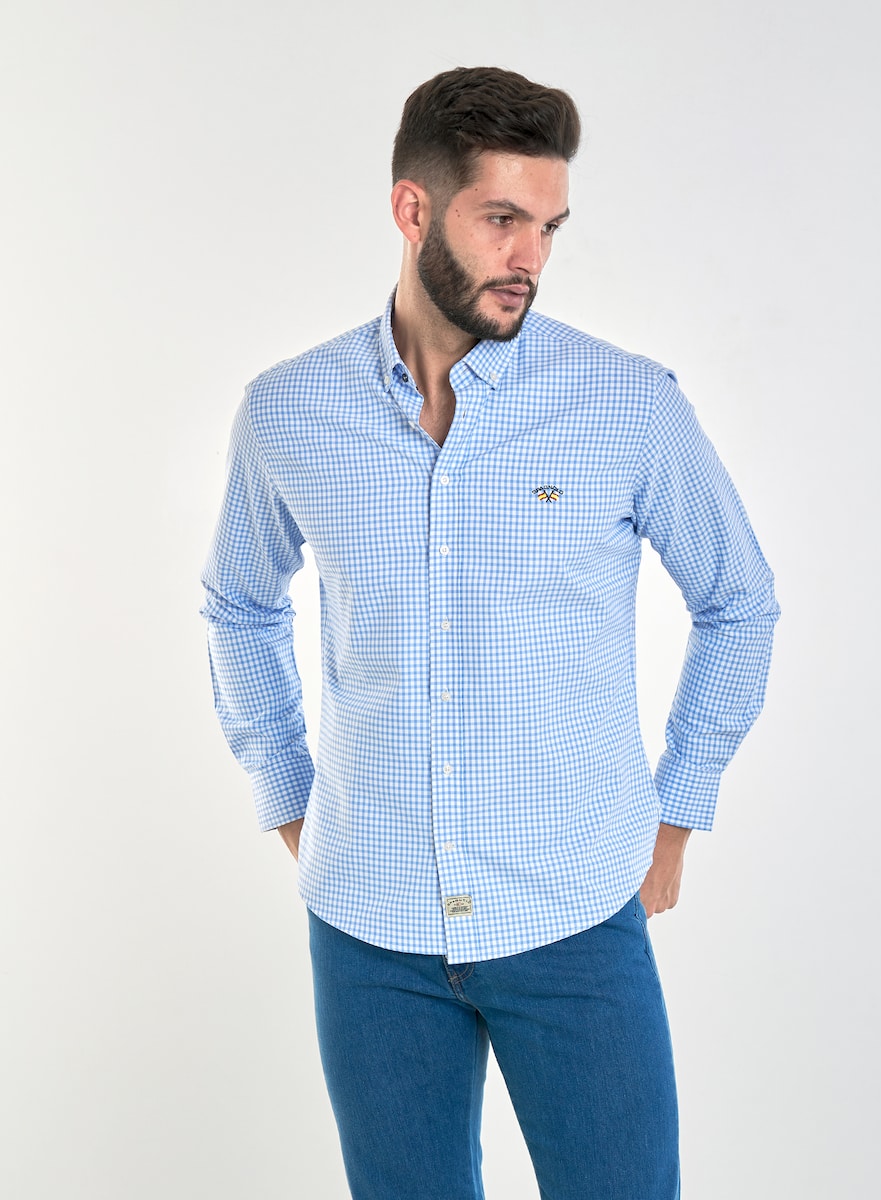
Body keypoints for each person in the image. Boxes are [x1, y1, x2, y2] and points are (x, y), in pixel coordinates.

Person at [201, 66, 779, 1200]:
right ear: (412, 208)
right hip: (368, 931)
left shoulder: (626, 405)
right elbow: (238, 603)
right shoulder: (289, 411)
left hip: (575, 917)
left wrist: (677, 810)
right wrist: (289, 798)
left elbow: (739, 601)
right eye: (502, 219)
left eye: (549, 227)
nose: (530, 257)